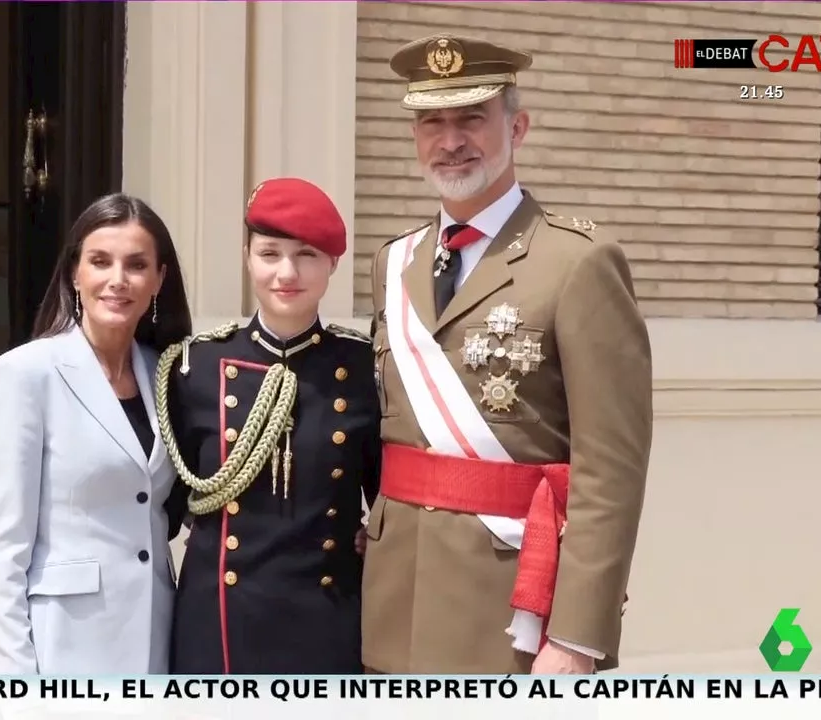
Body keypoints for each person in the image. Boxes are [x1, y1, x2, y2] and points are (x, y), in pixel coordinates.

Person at [361, 34, 653, 675]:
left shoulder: (577, 263)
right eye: (431, 122)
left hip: (513, 605)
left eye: (472, 117)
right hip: (394, 595)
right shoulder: (393, 262)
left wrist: (577, 637)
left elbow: (611, 473)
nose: (451, 139)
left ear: (516, 127)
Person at [155, 177, 379, 674]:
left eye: (307, 255)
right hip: (219, 618)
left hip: (328, 613)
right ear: (247, 256)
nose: (287, 272)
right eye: (270, 253)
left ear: (334, 264)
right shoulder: (196, 366)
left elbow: (391, 494)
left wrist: (376, 537)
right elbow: (168, 503)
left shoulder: (365, 369)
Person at [0, 193, 193, 675]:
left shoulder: (169, 375)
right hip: (64, 645)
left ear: (159, 279)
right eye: (100, 261)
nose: (118, 280)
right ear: (75, 271)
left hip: (156, 638)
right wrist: (18, 684)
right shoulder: (25, 375)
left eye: (137, 265)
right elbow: (2, 549)